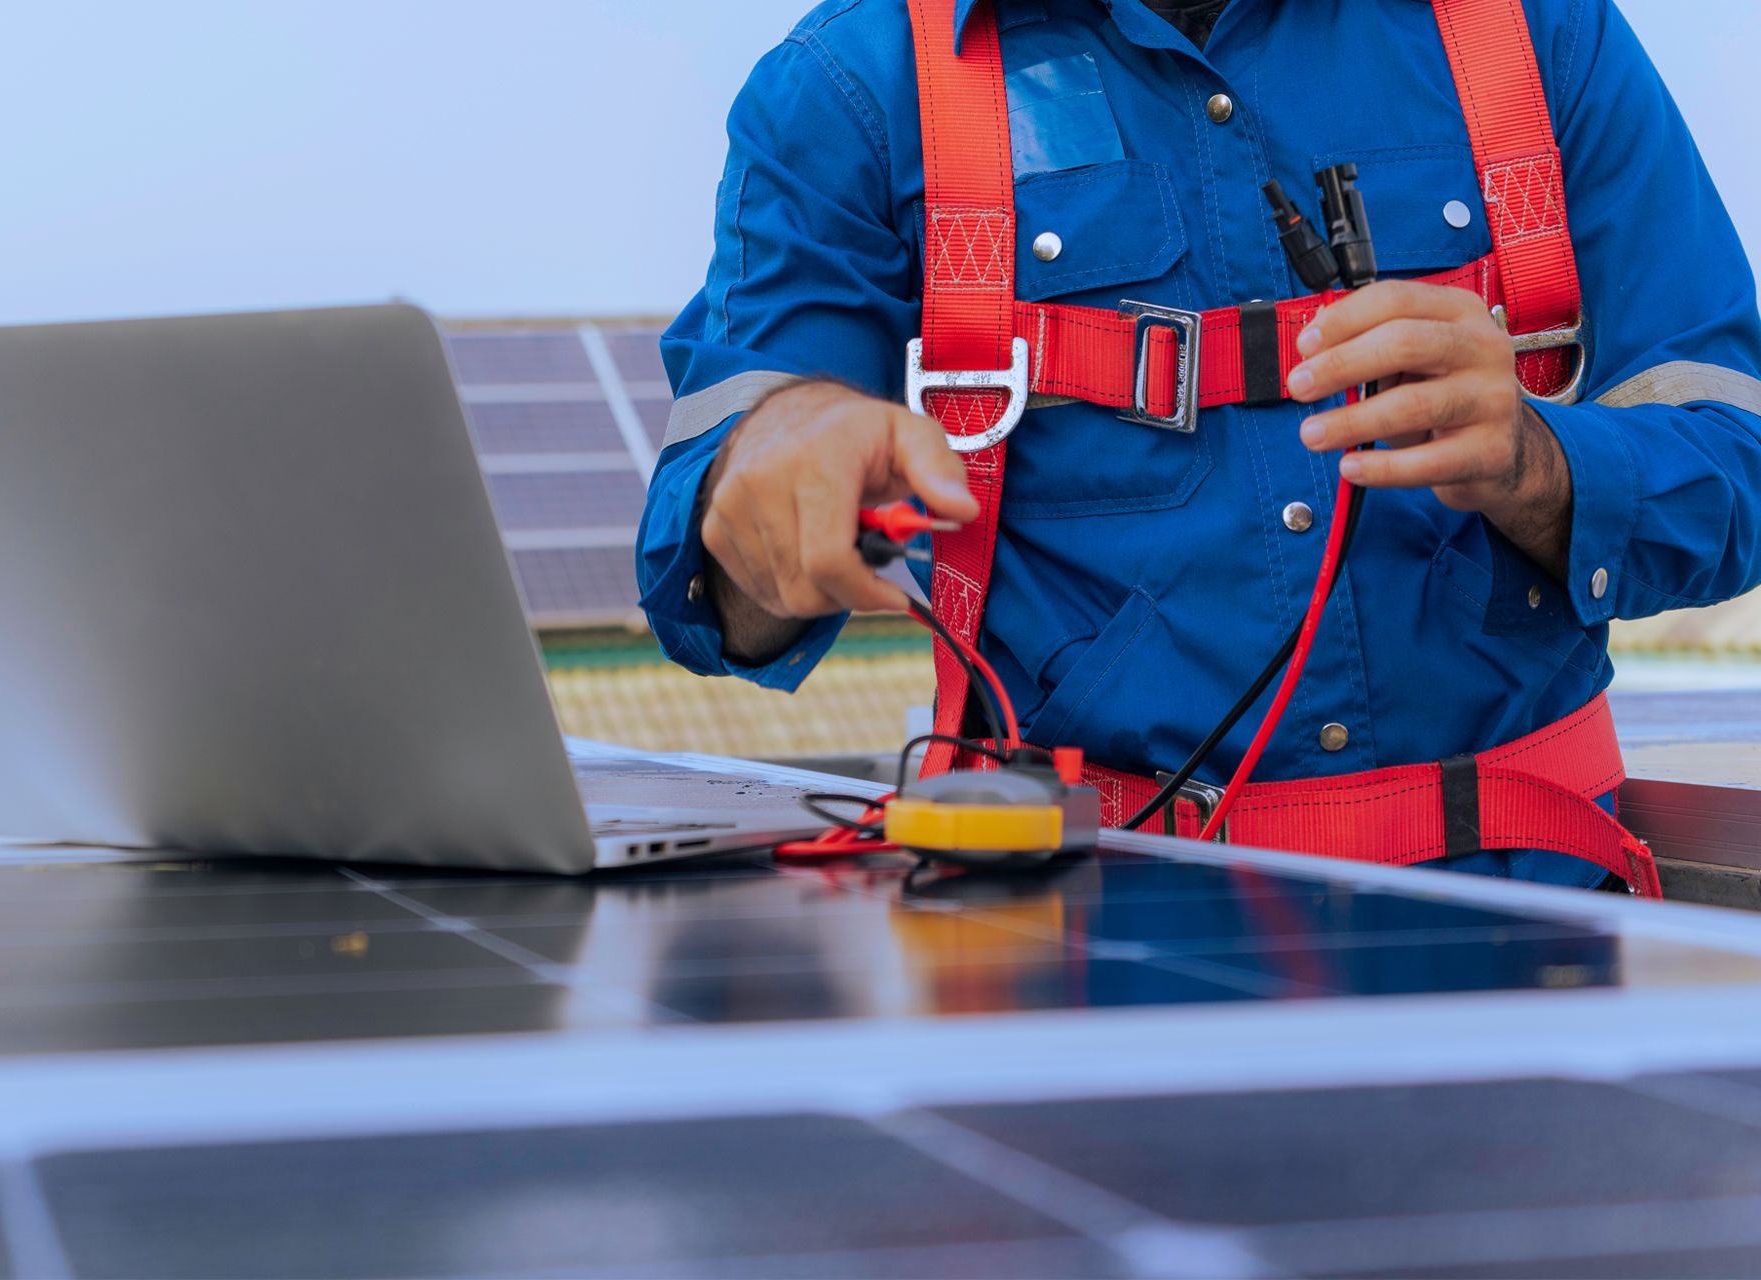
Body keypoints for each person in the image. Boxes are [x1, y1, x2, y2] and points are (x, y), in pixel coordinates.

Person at [635, 0, 1761, 890]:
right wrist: (768, 479)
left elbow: (1736, 459)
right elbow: (712, 566)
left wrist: (1538, 462)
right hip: (1084, 958)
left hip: (1536, 929)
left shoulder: (1537, 30)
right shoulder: (853, 86)